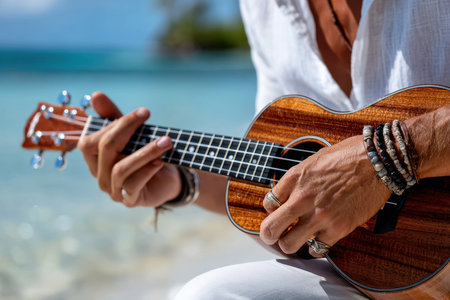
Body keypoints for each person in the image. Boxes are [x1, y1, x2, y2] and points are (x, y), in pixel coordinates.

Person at [78, 0, 450, 298]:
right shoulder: (264, 7)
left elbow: (351, 173)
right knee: (210, 294)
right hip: (382, 278)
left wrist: (385, 158)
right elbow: (288, 180)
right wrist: (181, 182)